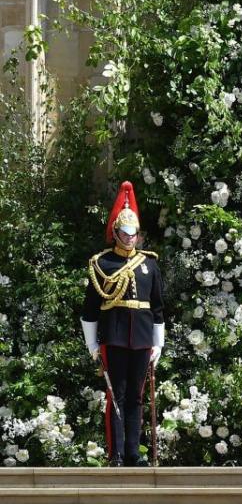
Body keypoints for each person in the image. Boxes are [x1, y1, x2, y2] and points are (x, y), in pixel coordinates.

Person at [80, 181, 165, 467]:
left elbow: (157, 308)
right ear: (116, 232)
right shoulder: (102, 264)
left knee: (136, 398)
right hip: (114, 336)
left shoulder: (149, 264)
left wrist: (159, 342)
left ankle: (133, 453)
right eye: (125, 233)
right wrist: (92, 343)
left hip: (142, 338)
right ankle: (115, 454)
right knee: (116, 394)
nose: (130, 238)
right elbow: (90, 309)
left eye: (134, 233)